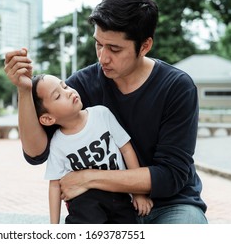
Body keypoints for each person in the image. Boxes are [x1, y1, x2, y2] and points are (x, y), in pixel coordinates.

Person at [4, 0, 208, 224]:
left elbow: (170, 176)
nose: (103, 57)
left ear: (144, 46)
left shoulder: (177, 87)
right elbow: (36, 153)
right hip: (107, 209)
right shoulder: (81, 85)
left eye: (114, 48)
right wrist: (24, 91)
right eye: (99, 44)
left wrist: (88, 178)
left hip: (171, 206)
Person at [32, 74, 153, 224]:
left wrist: (138, 193)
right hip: (85, 203)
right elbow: (55, 185)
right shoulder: (57, 143)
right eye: (58, 96)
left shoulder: (101, 114)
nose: (68, 92)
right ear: (48, 119)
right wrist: (53, 226)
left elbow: (126, 149)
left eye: (65, 86)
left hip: (120, 195)